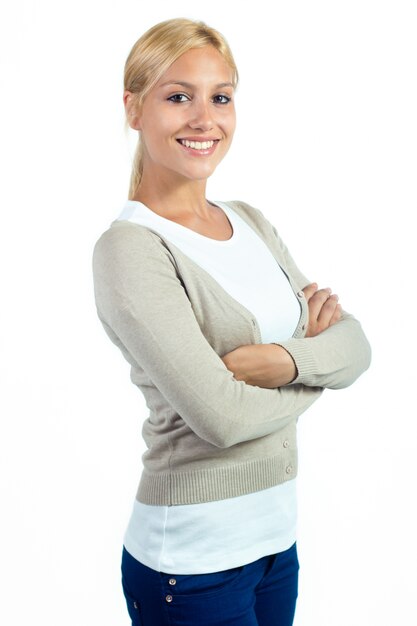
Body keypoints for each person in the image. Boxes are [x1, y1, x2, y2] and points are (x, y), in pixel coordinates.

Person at [92, 17, 371, 626]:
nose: (204, 118)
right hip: (190, 567)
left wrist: (287, 363)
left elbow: (357, 344)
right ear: (134, 108)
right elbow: (221, 418)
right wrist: (322, 373)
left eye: (220, 97)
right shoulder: (132, 249)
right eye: (177, 96)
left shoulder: (249, 220)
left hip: (277, 545)